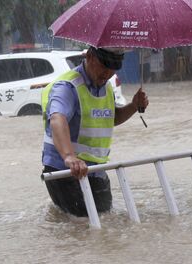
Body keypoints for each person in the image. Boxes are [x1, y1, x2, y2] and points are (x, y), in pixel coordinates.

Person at [41, 46, 149, 216]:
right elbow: (57, 119)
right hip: (66, 171)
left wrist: (134, 106)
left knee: (106, 219)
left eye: (113, 69)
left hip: (96, 170)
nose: (107, 73)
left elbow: (111, 118)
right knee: (81, 224)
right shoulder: (67, 87)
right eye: (104, 66)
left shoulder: (106, 87)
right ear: (90, 56)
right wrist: (69, 157)